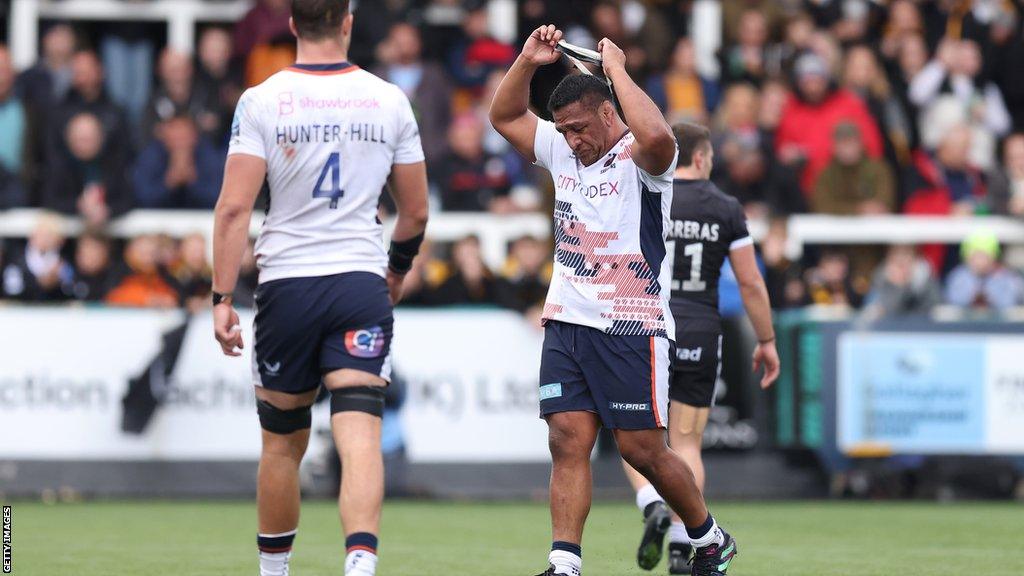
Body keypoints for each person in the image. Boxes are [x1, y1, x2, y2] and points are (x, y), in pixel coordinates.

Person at [490, 25, 737, 576]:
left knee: (642, 451)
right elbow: (504, 117)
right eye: (564, 131)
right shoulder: (560, 146)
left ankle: (710, 537)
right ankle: (565, 562)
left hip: (633, 323)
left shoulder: (644, 159)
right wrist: (528, 62)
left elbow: (659, 138)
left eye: (579, 128)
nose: (571, 140)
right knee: (566, 438)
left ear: (607, 113)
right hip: (568, 319)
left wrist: (618, 72)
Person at [211, 2, 428, 576]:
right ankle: (359, 566)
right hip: (359, 280)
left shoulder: (262, 99)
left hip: (288, 285)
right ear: (348, 24)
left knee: (282, 444)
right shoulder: (388, 100)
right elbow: (416, 211)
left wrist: (221, 298)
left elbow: (234, 209)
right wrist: (396, 272)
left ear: (292, 26)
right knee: (359, 435)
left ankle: (274, 572)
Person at [621, 123, 779, 575]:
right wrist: (766, 340)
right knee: (687, 444)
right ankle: (680, 540)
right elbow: (749, 281)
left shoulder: (643, 190)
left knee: (635, 437)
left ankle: (650, 500)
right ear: (704, 157)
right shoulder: (726, 207)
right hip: (700, 329)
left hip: (645, 323)